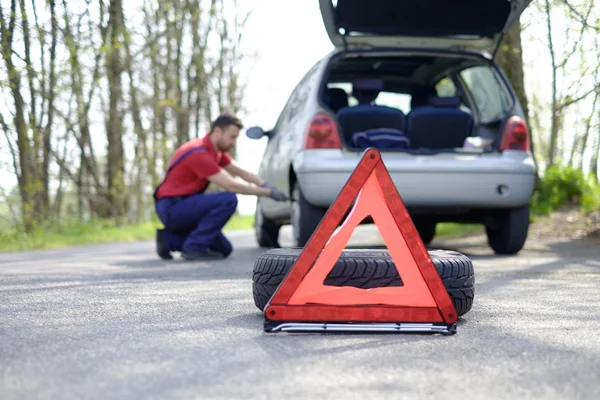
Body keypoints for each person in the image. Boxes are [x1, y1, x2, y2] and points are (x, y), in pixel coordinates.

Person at [153, 112, 289, 261]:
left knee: (224, 249)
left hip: (186, 205)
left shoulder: (214, 151)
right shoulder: (198, 153)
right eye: (232, 137)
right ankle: (193, 247)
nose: (234, 142)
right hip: (172, 207)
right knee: (228, 199)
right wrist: (268, 192)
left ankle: (168, 240)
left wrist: (264, 184)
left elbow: (241, 171)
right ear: (218, 131)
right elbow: (232, 185)